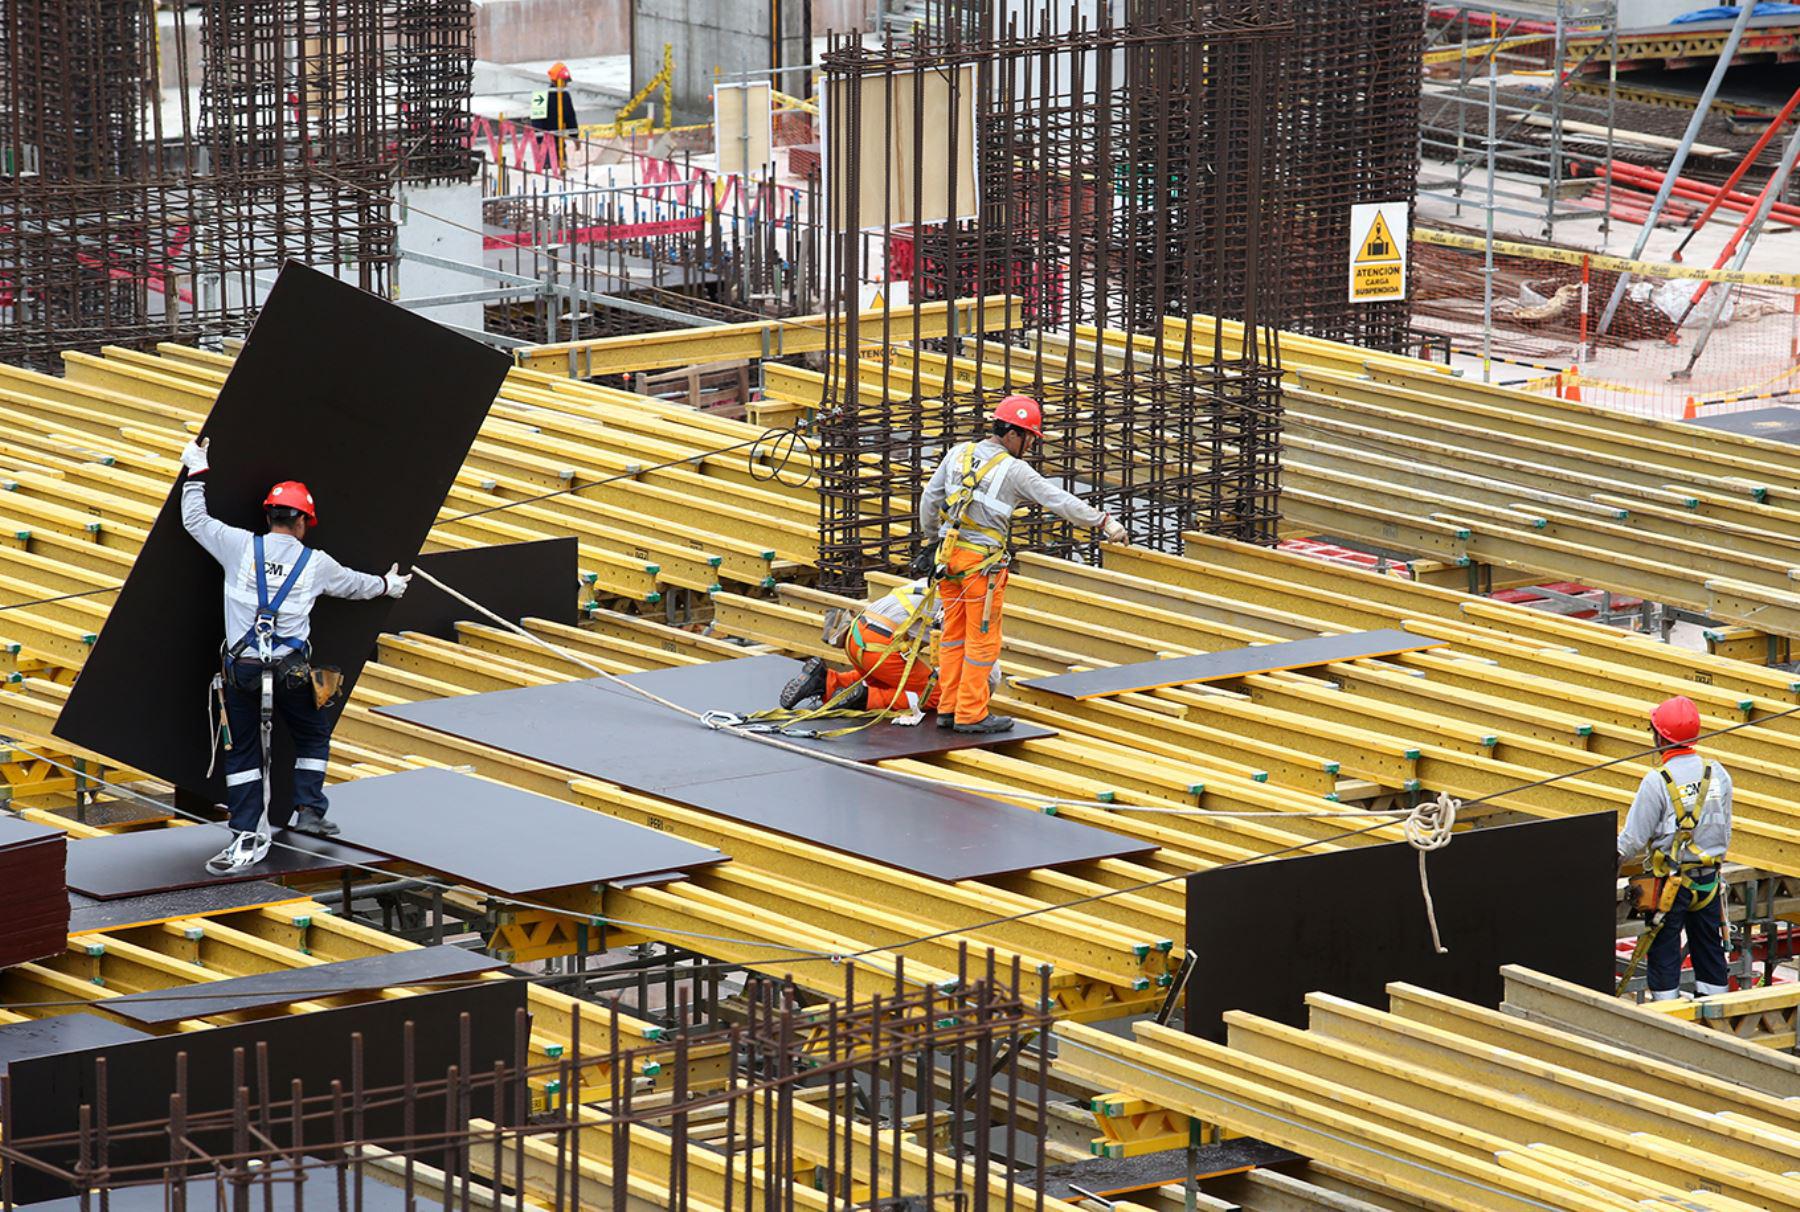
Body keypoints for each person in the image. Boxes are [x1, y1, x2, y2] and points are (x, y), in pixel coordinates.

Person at [179, 438, 411, 874]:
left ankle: (246, 830)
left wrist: (197, 470)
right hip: (290, 674)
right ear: (303, 522)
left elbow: (194, 520)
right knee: (311, 734)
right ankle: (310, 810)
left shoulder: (239, 546)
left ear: (268, 515)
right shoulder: (316, 563)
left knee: (243, 752)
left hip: (242, 672)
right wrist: (388, 585)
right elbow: (357, 586)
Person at [917, 395, 1128, 734]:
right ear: (1013, 433)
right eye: (1029, 437)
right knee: (981, 642)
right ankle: (970, 714)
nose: (1030, 444)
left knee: (953, 637)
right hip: (981, 568)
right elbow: (1057, 499)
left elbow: (930, 499)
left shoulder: (958, 453)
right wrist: (1103, 521)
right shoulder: (1013, 470)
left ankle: (948, 706)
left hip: (948, 561)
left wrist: (932, 539)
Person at [1617, 695, 1734, 1001]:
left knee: (1665, 949)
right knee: (1709, 949)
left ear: (1660, 737)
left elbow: (1632, 840)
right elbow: (1726, 828)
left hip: (1670, 884)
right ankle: (1716, 1012)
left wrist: (1606, 863)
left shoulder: (1657, 781)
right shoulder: (1716, 773)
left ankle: (1668, 1016)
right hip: (1709, 879)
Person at [778, 577, 1001, 718]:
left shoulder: (933, 582)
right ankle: (867, 698)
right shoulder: (959, 605)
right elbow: (959, 655)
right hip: (879, 645)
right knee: (938, 694)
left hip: (856, 637)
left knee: (885, 679)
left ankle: (825, 680)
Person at [530, 63, 580, 169]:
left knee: (561, 169)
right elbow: (536, 122)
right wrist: (539, 142)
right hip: (545, 145)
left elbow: (571, 118)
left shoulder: (565, 96)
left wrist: (575, 137)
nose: (565, 85)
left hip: (558, 142)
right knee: (549, 171)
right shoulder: (540, 97)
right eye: (564, 82)